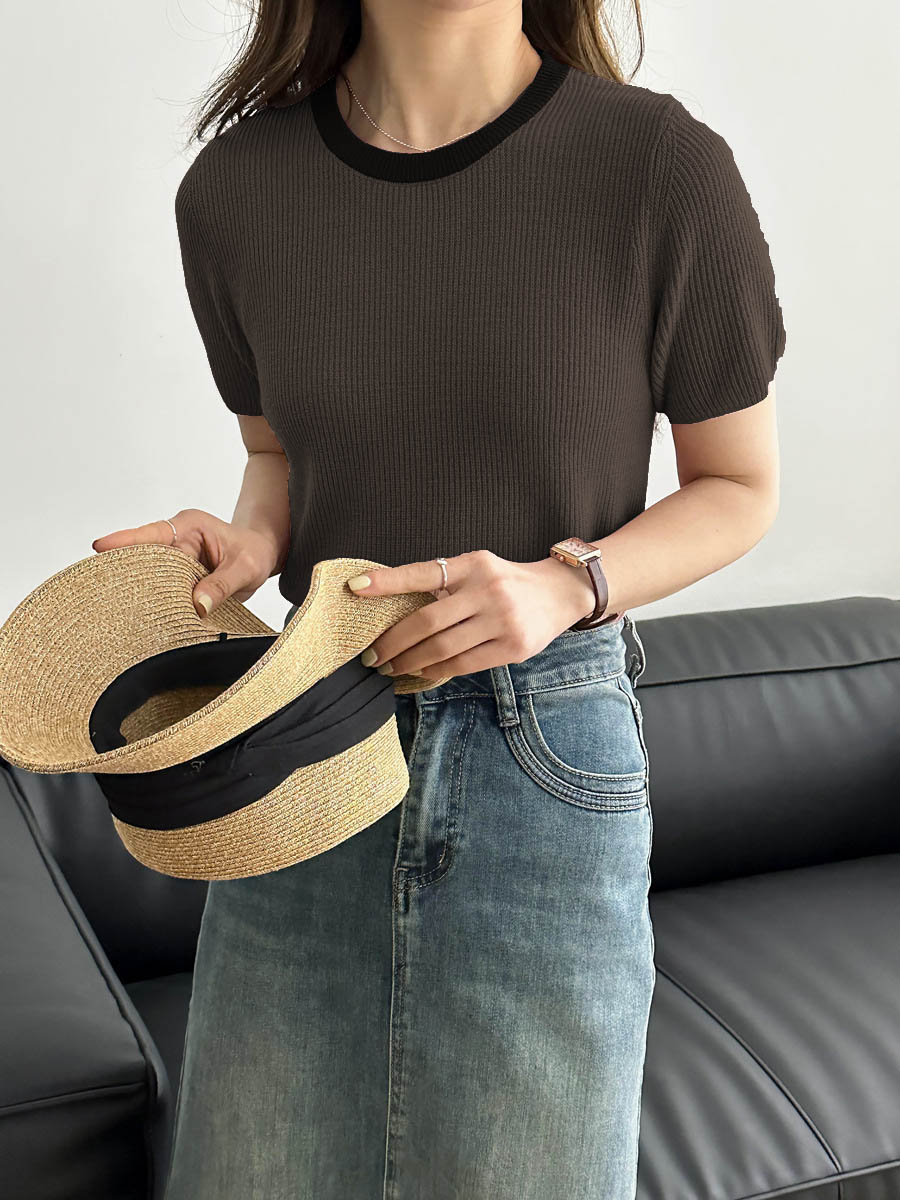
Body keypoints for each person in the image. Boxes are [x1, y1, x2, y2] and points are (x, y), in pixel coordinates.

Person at [94, 3, 786, 1197]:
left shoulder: (661, 168)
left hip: (546, 756)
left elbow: (739, 486)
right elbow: (278, 452)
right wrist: (253, 541)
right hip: (304, 747)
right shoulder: (236, 191)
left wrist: (568, 586)